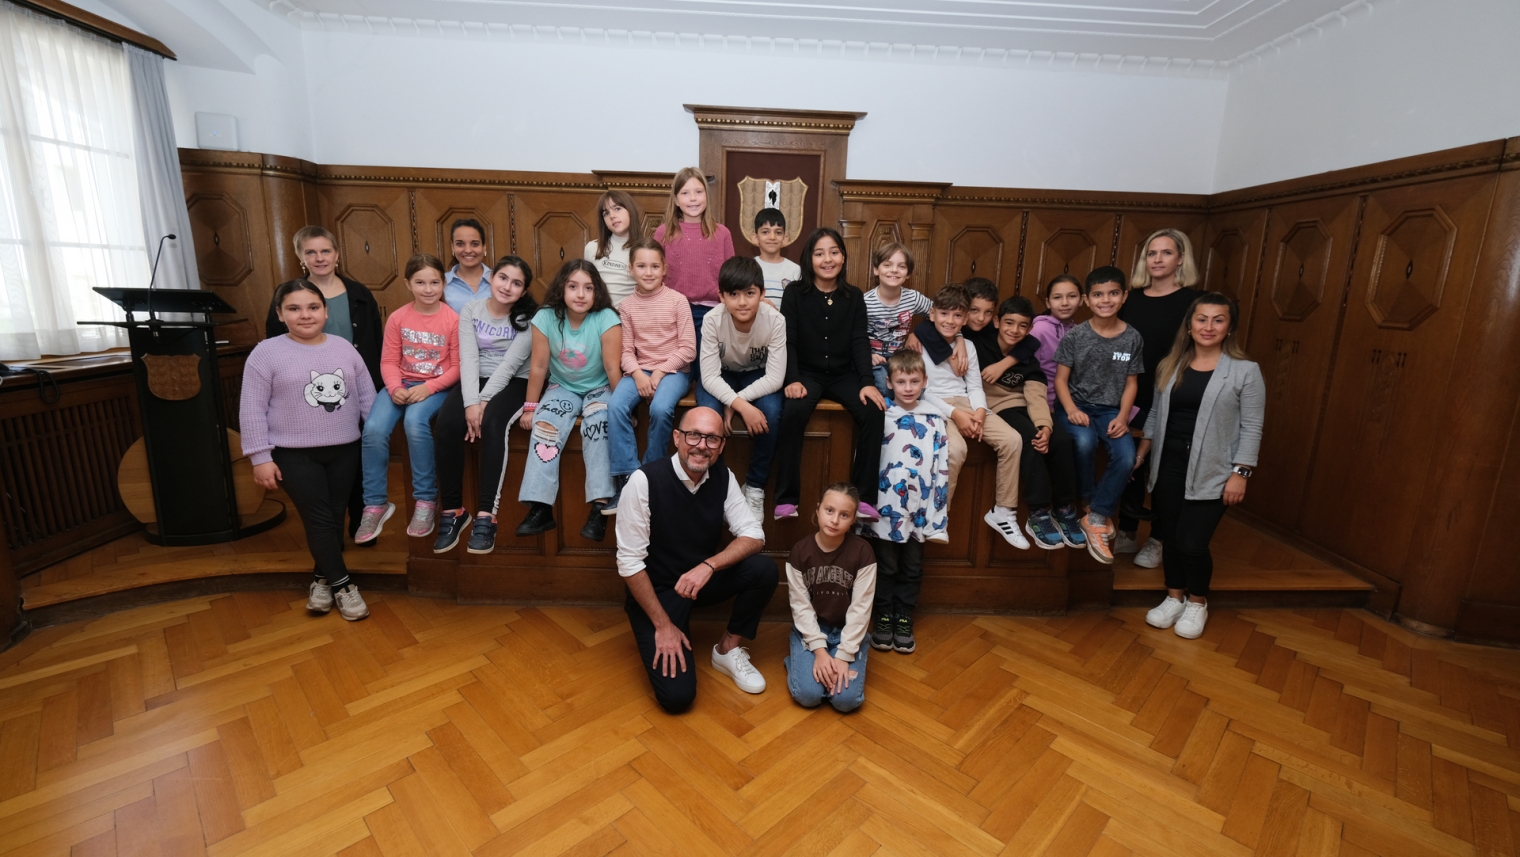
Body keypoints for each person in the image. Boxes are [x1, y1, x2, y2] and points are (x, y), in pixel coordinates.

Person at [614, 407, 776, 714]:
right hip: (658, 592)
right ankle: (671, 626)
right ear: (677, 438)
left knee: (763, 569)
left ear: (722, 445)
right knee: (677, 698)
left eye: (712, 438)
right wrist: (663, 625)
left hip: (699, 582)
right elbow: (630, 564)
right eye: (694, 435)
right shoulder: (643, 481)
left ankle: (727, 649)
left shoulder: (723, 476)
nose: (702, 445)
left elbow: (754, 535)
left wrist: (709, 566)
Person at [243, 281, 377, 621]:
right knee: (319, 520)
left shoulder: (344, 347)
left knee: (333, 518)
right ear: (280, 314)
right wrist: (260, 457)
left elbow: (366, 398)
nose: (305, 315)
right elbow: (251, 409)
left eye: (313, 307)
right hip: (292, 454)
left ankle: (322, 580)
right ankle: (345, 587)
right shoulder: (265, 352)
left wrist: (377, 443)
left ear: (326, 311)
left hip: (345, 449)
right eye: (294, 308)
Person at [1139, 293, 1264, 639]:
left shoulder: (1245, 371)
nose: (1208, 326)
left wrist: (1241, 473)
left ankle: (1197, 602)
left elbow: (1252, 426)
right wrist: (1142, 452)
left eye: (1218, 320)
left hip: (1214, 469)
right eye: (1202, 319)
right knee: (1171, 535)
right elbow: (1154, 414)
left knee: (1192, 542)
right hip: (1168, 463)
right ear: (1190, 326)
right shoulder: (1171, 365)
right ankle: (1174, 596)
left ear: (1229, 327)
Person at [264, 226, 383, 544]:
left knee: (358, 462)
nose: (319, 258)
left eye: (325, 251)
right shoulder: (289, 297)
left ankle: (362, 525)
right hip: (309, 397)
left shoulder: (359, 293)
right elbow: (274, 349)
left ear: (337, 254)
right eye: (311, 252)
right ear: (300, 257)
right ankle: (329, 539)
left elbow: (377, 342)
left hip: (356, 392)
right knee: (322, 473)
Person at [773, 227, 886, 521]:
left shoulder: (853, 296)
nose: (827, 259)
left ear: (843, 257)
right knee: (793, 412)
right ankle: (786, 499)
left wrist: (866, 383)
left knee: (874, 410)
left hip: (842, 374)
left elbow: (860, 341)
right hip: (806, 374)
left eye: (834, 252)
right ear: (809, 258)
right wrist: (792, 380)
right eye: (819, 253)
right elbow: (789, 341)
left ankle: (864, 499)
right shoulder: (795, 293)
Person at [430, 256, 537, 556]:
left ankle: (486, 515)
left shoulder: (529, 319)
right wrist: (469, 402)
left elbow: (509, 365)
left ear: (524, 290)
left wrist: (482, 404)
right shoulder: (471, 310)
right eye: (503, 278)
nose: (507, 286)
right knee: (448, 423)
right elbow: (469, 359)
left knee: (491, 424)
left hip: (514, 380)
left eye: (516, 283)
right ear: (492, 279)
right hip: (475, 378)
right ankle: (453, 510)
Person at [911, 284, 1026, 549]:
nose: (950, 321)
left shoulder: (969, 347)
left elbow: (974, 386)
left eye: (957, 316)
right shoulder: (921, 344)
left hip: (966, 401)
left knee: (1012, 439)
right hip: (934, 405)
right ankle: (938, 518)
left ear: (964, 319)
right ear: (932, 315)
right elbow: (923, 390)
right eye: (944, 315)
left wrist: (979, 414)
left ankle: (1004, 512)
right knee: (956, 450)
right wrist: (957, 416)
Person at [355, 254, 460, 544]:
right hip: (399, 384)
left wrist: (429, 388)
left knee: (415, 422)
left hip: (435, 388)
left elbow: (457, 367)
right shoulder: (398, 317)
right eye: (420, 282)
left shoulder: (453, 320)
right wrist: (393, 387)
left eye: (434, 282)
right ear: (408, 284)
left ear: (444, 283)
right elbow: (388, 359)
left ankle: (425, 502)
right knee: (374, 429)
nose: (428, 289)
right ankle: (375, 504)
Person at [516, 260, 622, 541]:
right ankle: (540, 508)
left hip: (600, 388)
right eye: (573, 287)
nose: (581, 294)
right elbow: (538, 366)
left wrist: (623, 409)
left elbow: (613, 369)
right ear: (561, 289)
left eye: (588, 288)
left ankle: (599, 508)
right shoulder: (546, 317)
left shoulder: (607, 318)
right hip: (562, 387)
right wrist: (530, 407)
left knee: (599, 424)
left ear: (597, 291)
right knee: (545, 423)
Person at [1116, 229, 1204, 565]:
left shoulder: (1193, 302)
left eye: (1166, 253)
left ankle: (1159, 538)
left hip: (1172, 392)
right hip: (1131, 391)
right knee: (1129, 463)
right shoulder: (1132, 299)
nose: (1157, 259)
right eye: (1152, 253)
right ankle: (1126, 531)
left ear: (1181, 258)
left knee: (1165, 469)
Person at [1054, 266, 1143, 564]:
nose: (1106, 300)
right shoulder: (1076, 336)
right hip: (1076, 405)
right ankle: (1090, 500)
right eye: (1098, 295)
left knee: (1127, 456)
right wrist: (1071, 410)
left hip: (1111, 411)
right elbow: (1060, 381)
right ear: (1087, 300)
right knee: (1083, 443)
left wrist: (1123, 416)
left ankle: (1097, 517)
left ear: (1124, 296)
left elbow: (1132, 383)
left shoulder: (1132, 338)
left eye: (1113, 293)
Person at [866, 350, 951, 655]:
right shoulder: (881, 415)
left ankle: (904, 617)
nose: (908, 387)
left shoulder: (933, 420)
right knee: (886, 566)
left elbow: (941, 468)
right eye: (901, 381)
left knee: (912, 567)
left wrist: (936, 513)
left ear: (924, 381)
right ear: (889, 382)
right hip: (885, 510)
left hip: (919, 511)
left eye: (914, 381)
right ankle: (884, 617)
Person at [981, 297, 1082, 550]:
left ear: (1029, 328)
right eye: (1009, 323)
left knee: (1061, 439)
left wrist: (1045, 426)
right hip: (996, 408)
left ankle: (1064, 508)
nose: (1015, 330)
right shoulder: (980, 344)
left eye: (1022, 325)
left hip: (1024, 405)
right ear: (997, 322)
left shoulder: (1028, 355)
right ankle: (1038, 511)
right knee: (1030, 439)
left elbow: (1036, 395)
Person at [695, 256, 787, 523]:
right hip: (719, 376)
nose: (743, 301)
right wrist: (741, 406)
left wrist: (735, 403)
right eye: (733, 294)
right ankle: (718, 487)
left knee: (769, 412)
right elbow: (709, 376)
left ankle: (755, 487)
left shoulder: (775, 320)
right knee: (708, 419)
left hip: (757, 376)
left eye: (750, 293)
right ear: (721, 296)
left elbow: (775, 378)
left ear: (762, 293)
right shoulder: (713, 320)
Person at [606, 239, 695, 511]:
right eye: (642, 266)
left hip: (674, 370)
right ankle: (628, 477)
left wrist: (659, 372)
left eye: (655, 266)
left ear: (664, 268)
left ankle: (649, 474)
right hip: (639, 370)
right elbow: (626, 350)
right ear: (631, 269)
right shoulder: (627, 306)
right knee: (615, 406)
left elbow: (688, 348)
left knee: (660, 408)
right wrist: (637, 373)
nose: (648, 272)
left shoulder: (678, 301)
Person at [785, 483, 876, 713]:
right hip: (812, 630)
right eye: (829, 510)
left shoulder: (863, 553)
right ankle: (798, 660)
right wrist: (819, 651)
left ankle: (852, 652)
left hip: (849, 633)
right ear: (817, 510)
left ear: (854, 518)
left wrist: (844, 656)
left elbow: (861, 608)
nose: (835, 520)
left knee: (845, 701)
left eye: (844, 515)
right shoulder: (799, 551)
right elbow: (800, 606)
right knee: (808, 695)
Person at [654, 167, 734, 383]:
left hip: (711, 314)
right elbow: (654, 275)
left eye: (698, 192)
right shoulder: (663, 233)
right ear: (676, 199)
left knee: (705, 376)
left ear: (707, 196)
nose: (693, 199)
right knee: (676, 374)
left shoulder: (722, 233)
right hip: (674, 313)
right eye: (685, 193)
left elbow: (730, 278)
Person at [1028, 274, 1087, 549]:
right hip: (1036, 400)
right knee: (1044, 440)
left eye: (1071, 296)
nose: (1065, 302)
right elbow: (1026, 369)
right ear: (1048, 301)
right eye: (1057, 297)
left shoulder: (1078, 330)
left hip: (1060, 403)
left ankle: (1066, 508)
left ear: (1082, 299)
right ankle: (1039, 511)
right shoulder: (1039, 330)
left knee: (1067, 441)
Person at [863, 243, 932, 396]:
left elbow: (939, 316)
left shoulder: (913, 298)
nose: (894, 270)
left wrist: (916, 334)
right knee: (886, 390)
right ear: (876, 269)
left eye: (901, 266)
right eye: (887, 265)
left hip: (900, 358)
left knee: (919, 392)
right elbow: (850, 334)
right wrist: (867, 355)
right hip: (873, 358)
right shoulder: (865, 302)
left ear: (908, 274)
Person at [584, 190, 642, 307]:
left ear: (630, 210)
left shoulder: (645, 250)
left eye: (617, 208)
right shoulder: (592, 248)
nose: (612, 216)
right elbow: (586, 287)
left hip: (632, 318)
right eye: (606, 213)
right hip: (600, 316)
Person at [753, 208, 800, 305]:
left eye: (778, 232)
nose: (772, 237)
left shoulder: (795, 270)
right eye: (765, 232)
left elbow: (799, 305)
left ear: (785, 239)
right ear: (755, 238)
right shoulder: (747, 268)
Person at [443, 218, 491, 312]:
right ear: (452, 247)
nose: (468, 250)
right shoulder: (440, 283)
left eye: (475, 244)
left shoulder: (501, 280)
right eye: (460, 244)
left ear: (484, 247)